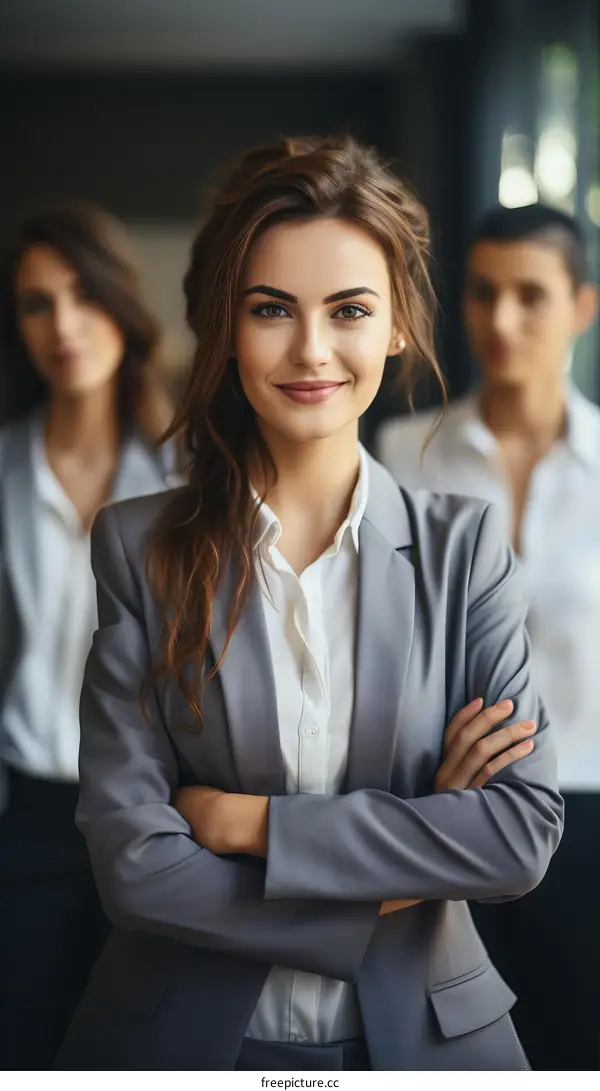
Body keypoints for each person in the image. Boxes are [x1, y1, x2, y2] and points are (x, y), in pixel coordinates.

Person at [55, 138, 562, 1073]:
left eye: (350, 310)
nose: (312, 349)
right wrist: (408, 859)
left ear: (399, 324)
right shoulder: (138, 546)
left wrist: (244, 825)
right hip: (180, 1040)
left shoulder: (465, 550)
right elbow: (135, 869)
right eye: (271, 310)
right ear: (226, 326)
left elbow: (518, 833)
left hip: (430, 1040)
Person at [376, 202, 599, 1070]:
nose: (501, 320)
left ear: (582, 305)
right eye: (483, 292)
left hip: (587, 816)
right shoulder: (402, 454)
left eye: (531, 295)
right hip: (445, 813)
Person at [0, 201, 178, 1070]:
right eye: (36, 302)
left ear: (120, 303)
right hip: (21, 814)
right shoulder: (3, 469)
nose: (63, 325)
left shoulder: (186, 481)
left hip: (150, 814)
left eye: (82, 294)